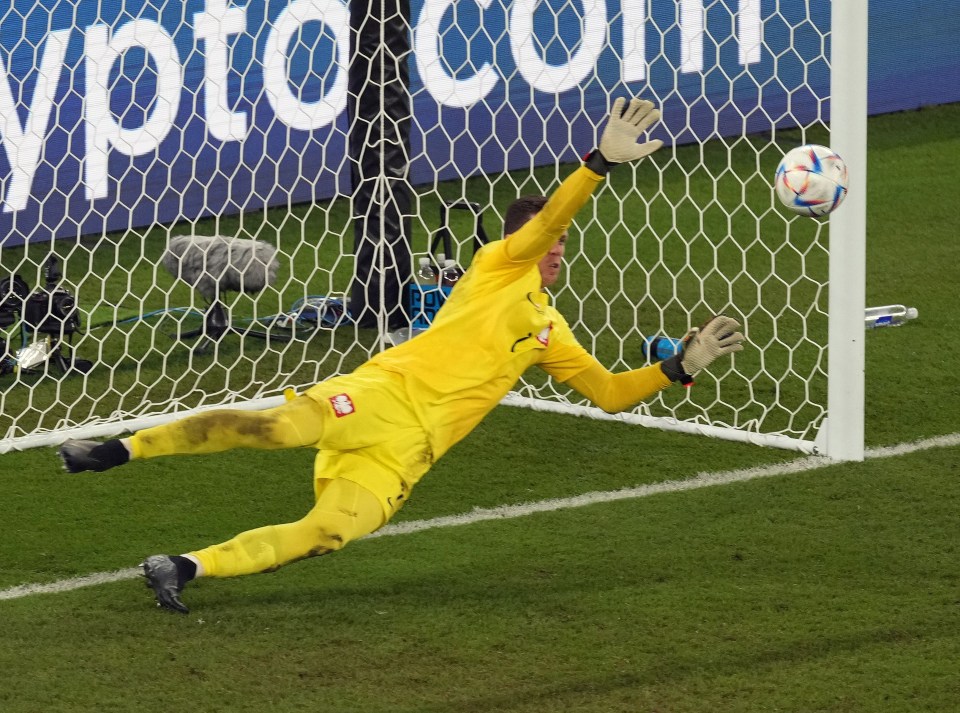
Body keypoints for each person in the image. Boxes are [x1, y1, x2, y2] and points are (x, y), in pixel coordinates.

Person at [58, 98, 744, 613]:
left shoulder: (549, 329)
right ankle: (120, 449)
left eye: (559, 249)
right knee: (274, 427)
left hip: (405, 455)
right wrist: (597, 165)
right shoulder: (497, 265)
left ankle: (182, 566)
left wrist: (680, 366)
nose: (557, 251)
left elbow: (610, 392)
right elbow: (553, 221)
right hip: (380, 393)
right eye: (548, 242)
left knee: (324, 533)